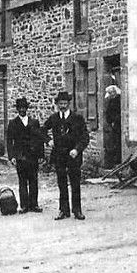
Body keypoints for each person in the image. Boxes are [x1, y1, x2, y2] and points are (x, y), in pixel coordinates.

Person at [42, 91, 89, 221]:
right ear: (57, 104)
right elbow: (41, 130)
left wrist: (77, 149)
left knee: (75, 183)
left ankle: (77, 210)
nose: (62, 106)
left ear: (69, 103)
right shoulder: (54, 118)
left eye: (65, 103)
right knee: (61, 183)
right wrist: (48, 140)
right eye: (60, 104)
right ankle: (63, 210)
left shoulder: (77, 118)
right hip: (59, 156)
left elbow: (85, 137)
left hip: (73, 156)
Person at [6, 97, 46, 213]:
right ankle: (24, 205)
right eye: (20, 108)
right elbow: (9, 141)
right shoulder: (13, 123)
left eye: (24, 108)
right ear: (17, 109)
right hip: (20, 156)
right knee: (22, 181)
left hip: (32, 156)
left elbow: (39, 140)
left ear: (27, 109)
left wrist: (41, 155)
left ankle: (34, 204)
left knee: (33, 180)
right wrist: (12, 156)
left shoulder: (34, 122)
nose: (22, 110)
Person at [104, 84, 122, 167]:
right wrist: (110, 121)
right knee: (113, 142)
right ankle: (113, 161)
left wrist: (116, 120)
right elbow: (108, 113)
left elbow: (119, 112)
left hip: (118, 123)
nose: (112, 94)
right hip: (113, 125)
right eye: (110, 93)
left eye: (113, 92)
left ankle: (118, 160)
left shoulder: (119, 99)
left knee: (118, 141)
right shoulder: (110, 101)